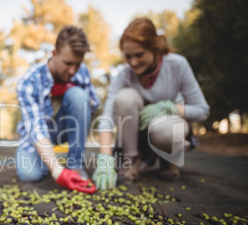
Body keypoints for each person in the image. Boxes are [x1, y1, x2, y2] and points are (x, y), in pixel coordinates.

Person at [92, 18, 210, 189]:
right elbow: (108, 116)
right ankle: (130, 159)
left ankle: (168, 159)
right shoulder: (124, 76)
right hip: (136, 135)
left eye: (139, 55)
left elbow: (202, 110)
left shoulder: (177, 65)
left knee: (165, 130)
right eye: (128, 56)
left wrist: (170, 108)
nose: (133, 62)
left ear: (154, 49)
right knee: (124, 97)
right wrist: (104, 158)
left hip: (167, 129)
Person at [15, 25, 101, 194]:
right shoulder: (30, 81)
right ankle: (50, 162)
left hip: (64, 128)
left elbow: (94, 104)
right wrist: (56, 170)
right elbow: (37, 130)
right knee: (30, 174)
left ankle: (75, 165)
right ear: (54, 54)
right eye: (68, 63)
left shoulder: (80, 72)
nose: (72, 70)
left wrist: (74, 93)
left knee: (78, 96)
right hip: (37, 136)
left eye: (77, 64)